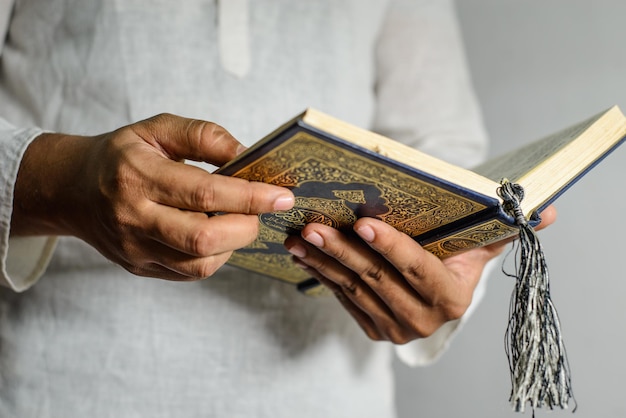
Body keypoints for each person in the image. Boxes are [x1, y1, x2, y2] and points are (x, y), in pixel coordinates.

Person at [0, 1, 555, 417]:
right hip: (69, 386)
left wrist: (449, 266)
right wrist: (62, 184)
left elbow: (441, 144)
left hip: (332, 393)